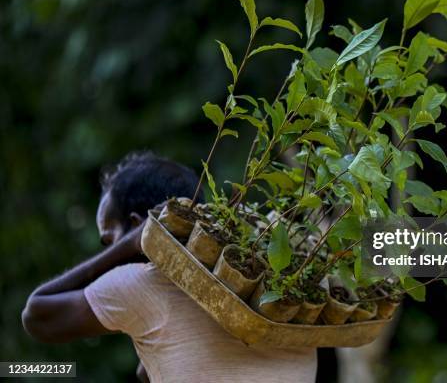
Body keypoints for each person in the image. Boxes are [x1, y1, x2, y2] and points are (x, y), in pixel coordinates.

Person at [22, 151, 317, 382]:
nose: (109, 250)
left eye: (110, 240)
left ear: (138, 226)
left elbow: (37, 315)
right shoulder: (290, 302)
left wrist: (131, 246)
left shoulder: (141, 286)